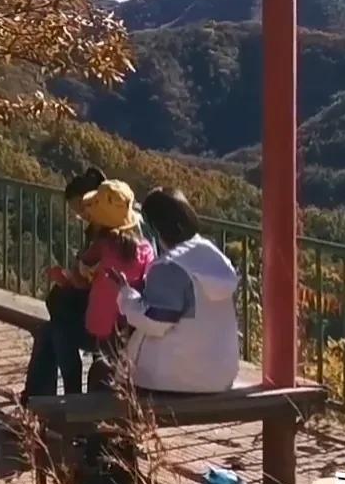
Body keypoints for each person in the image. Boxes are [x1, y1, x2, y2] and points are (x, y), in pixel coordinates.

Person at [110, 186, 240, 394]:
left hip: (171, 378)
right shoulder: (213, 255)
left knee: (107, 373)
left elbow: (155, 323)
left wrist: (126, 296)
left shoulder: (170, 266)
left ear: (155, 228)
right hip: (219, 377)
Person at [20, 167, 103, 404]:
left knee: (56, 332)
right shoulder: (100, 231)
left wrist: (69, 279)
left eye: (81, 208)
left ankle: (57, 405)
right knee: (51, 331)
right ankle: (45, 405)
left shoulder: (110, 237)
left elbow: (96, 282)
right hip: (94, 312)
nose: (81, 215)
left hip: (108, 322)